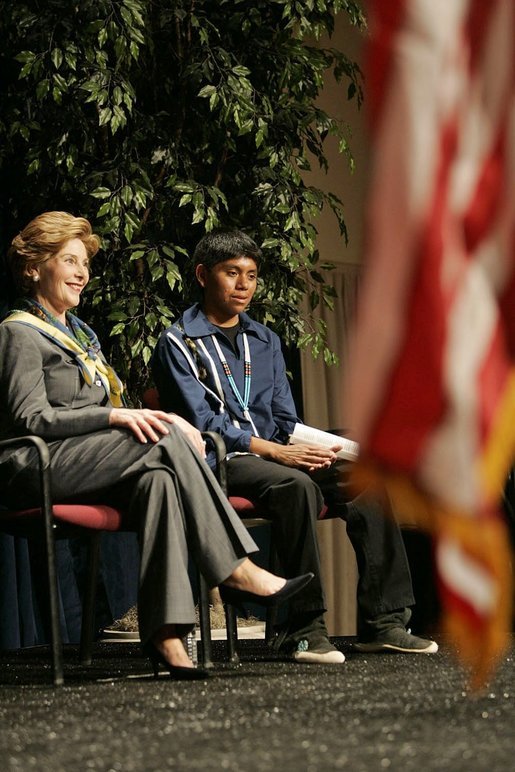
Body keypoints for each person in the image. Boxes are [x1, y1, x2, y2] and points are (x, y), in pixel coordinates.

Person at [0, 212, 312, 681]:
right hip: (35, 463)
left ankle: (167, 638)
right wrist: (119, 416)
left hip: (89, 460)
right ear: (33, 267)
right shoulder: (18, 332)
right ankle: (236, 567)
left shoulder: (81, 334)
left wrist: (157, 419)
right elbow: (32, 418)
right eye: (69, 260)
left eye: (84, 262)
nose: (82, 272)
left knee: (160, 481)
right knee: (165, 434)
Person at [152, 229, 439, 663]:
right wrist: (276, 451)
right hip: (220, 461)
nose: (244, 285)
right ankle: (300, 630)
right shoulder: (178, 342)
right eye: (232, 273)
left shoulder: (264, 340)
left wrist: (320, 446)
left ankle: (385, 622)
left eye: (251, 274)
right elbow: (201, 424)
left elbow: (285, 420)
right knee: (294, 486)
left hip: (277, 453)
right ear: (202, 275)